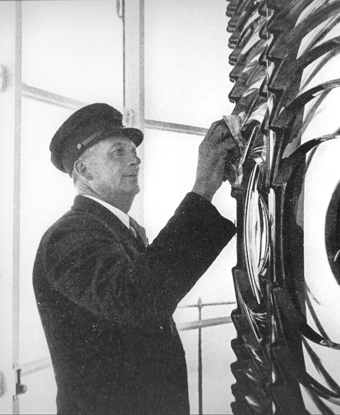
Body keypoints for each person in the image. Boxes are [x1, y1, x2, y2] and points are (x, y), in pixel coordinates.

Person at [33, 103, 237, 415]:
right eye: (118, 152)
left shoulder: (116, 231)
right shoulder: (68, 236)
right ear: (83, 170)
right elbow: (138, 299)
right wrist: (202, 189)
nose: (135, 158)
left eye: (133, 150)